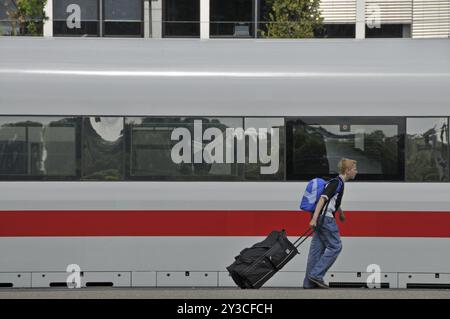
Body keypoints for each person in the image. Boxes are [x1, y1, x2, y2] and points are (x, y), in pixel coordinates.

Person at [303, 158, 358, 289]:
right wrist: (314, 219)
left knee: (316, 251)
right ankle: (316, 275)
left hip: (322, 218)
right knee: (336, 246)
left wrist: (341, 213)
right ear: (347, 170)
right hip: (325, 219)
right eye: (354, 169)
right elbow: (323, 199)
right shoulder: (336, 183)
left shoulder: (336, 183)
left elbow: (333, 200)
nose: (356, 171)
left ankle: (308, 283)